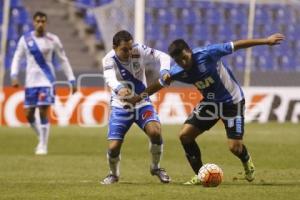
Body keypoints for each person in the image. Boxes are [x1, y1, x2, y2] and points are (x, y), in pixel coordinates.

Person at [125, 33, 285, 184]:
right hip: (210, 104)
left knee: (235, 147)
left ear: (189, 51)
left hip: (232, 102)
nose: (183, 63)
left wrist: (266, 40)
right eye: (179, 61)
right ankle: (200, 175)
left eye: (185, 58)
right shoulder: (177, 71)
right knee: (185, 136)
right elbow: (158, 85)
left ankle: (246, 159)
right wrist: (138, 98)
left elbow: (237, 45)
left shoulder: (208, 53)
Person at [101, 30, 171, 185]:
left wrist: (165, 70)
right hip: (121, 105)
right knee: (113, 147)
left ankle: (156, 167)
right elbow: (109, 77)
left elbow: (163, 56)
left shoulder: (139, 49)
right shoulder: (108, 59)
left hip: (142, 102)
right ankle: (113, 174)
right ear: (114, 47)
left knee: (155, 131)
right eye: (124, 49)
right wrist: (119, 88)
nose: (129, 52)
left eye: (130, 48)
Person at [10, 11, 76, 155]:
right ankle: (42, 137)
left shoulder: (53, 40)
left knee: (43, 111)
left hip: (47, 81)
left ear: (46, 23)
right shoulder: (25, 40)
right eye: (38, 21)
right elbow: (16, 57)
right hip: (30, 82)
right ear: (33, 22)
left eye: (43, 21)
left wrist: (71, 78)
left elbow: (63, 59)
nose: (40, 24)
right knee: (28, 114)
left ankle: (43, 145)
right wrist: (14, 75)